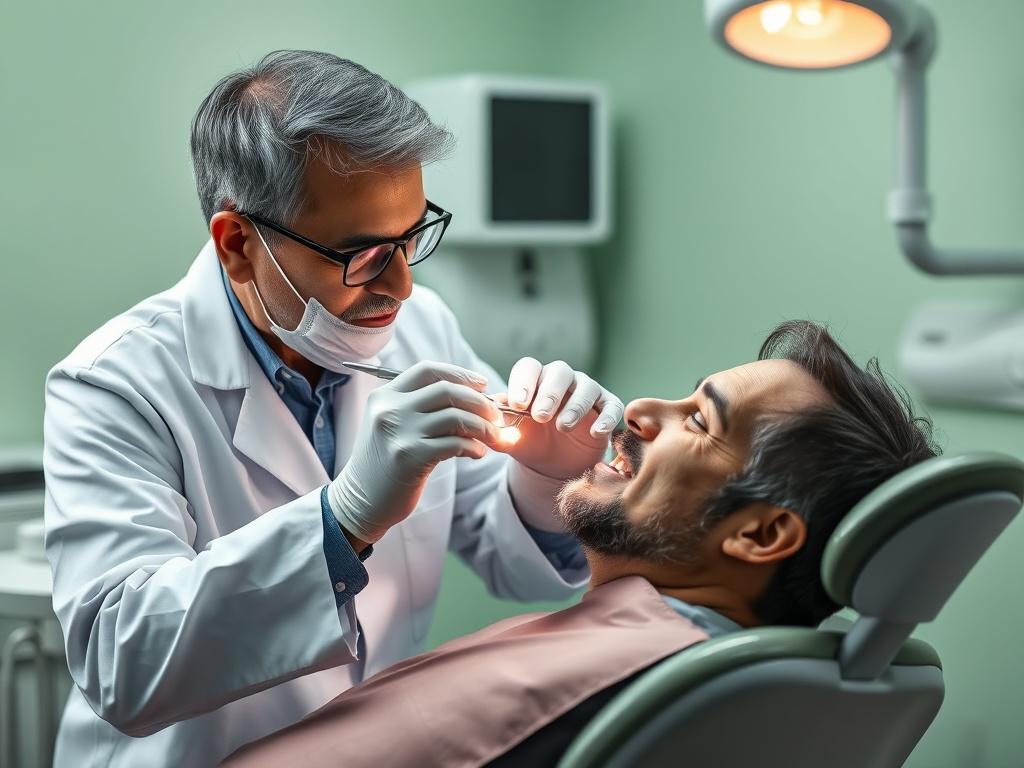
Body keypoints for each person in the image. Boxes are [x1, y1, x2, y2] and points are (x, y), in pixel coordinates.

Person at [42, 50, 623, 768]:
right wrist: (342, 520)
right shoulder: (115, 384)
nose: (401, 287)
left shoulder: (422, 327)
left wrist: (546, 477)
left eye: (411, 237)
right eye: (364, 254)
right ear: (238, 245)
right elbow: (120, 663)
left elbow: (513, 560)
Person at [222, 320, 939, 768]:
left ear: (759, 534)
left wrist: (346, 519)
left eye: (699, 420)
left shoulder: (596, 676)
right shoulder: (733, 678)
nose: (643, 409)